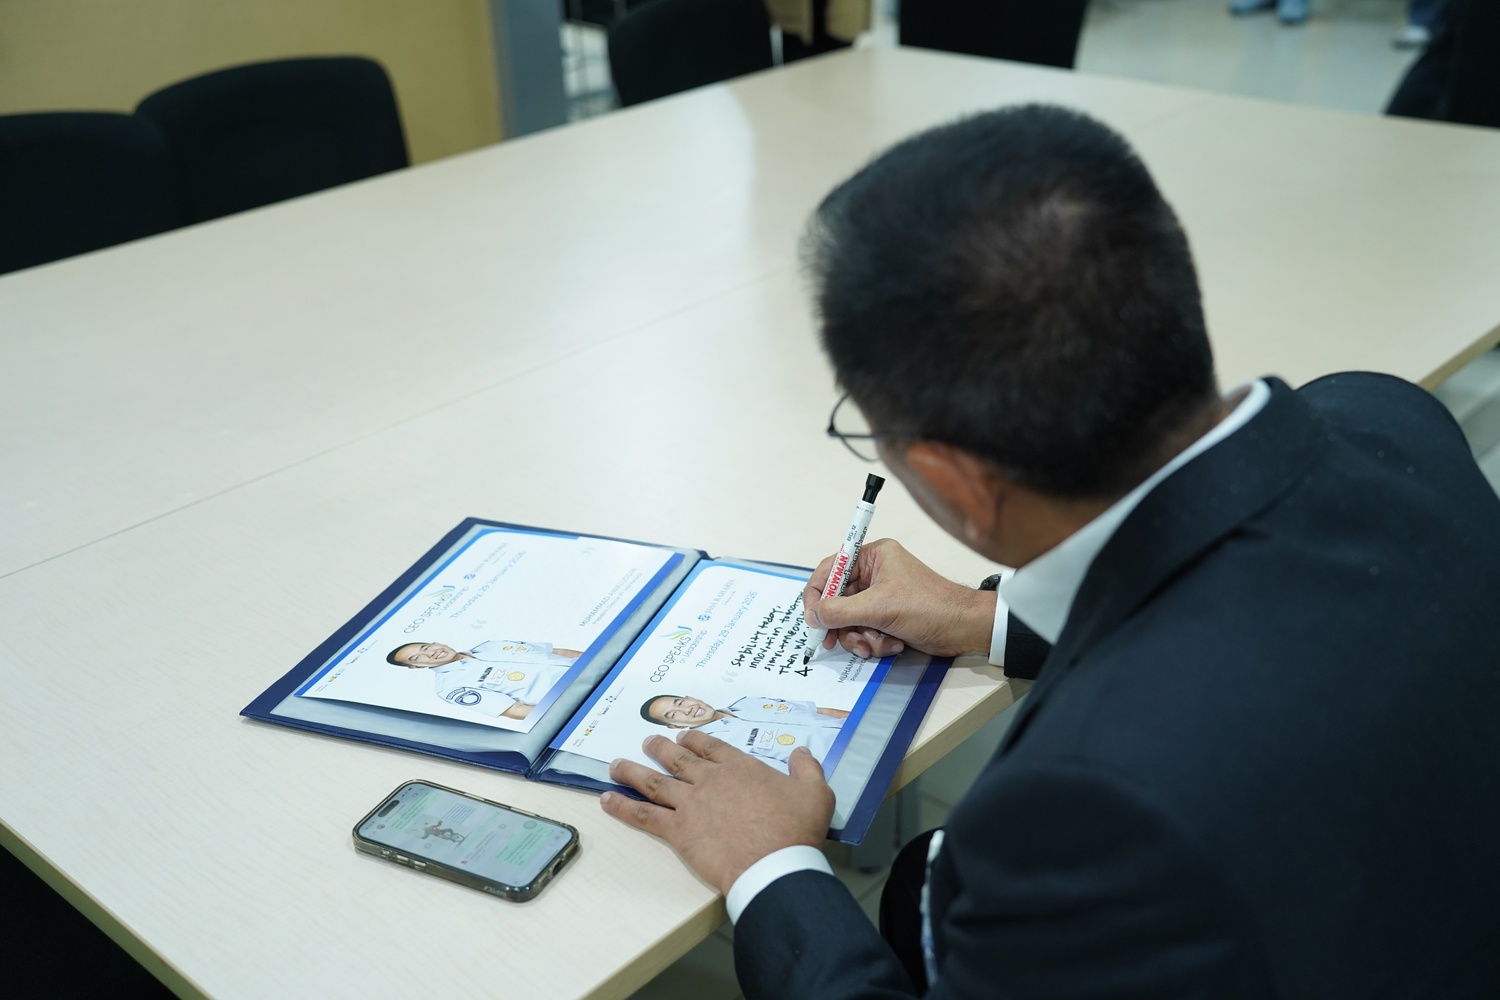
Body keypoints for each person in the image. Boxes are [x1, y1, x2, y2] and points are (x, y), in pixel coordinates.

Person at [599, 104, 1500, 997]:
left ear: (954, 479)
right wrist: (981, 616)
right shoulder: (1384, 417)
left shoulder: (1090, 813)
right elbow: (1257, 593)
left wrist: (771, 865)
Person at [387, 639, 582, 721]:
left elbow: (557, 652)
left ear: (436, 642)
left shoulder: (490, 645)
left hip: (595, 671)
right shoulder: (450, 687)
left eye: (426, 647)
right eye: (418, 658)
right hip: (578, 697)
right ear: (415, 667)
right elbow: (515, 710)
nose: (431, 653)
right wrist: (573, 711)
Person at [640, 694, 848, 768]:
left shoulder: (747, 701)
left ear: (690, 697)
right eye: (674, 714)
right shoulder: (718, 750)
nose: (687, 709)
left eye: (680, 702)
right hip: (845, 763)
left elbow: (818, 711)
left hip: (859, 731)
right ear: (675, 726)